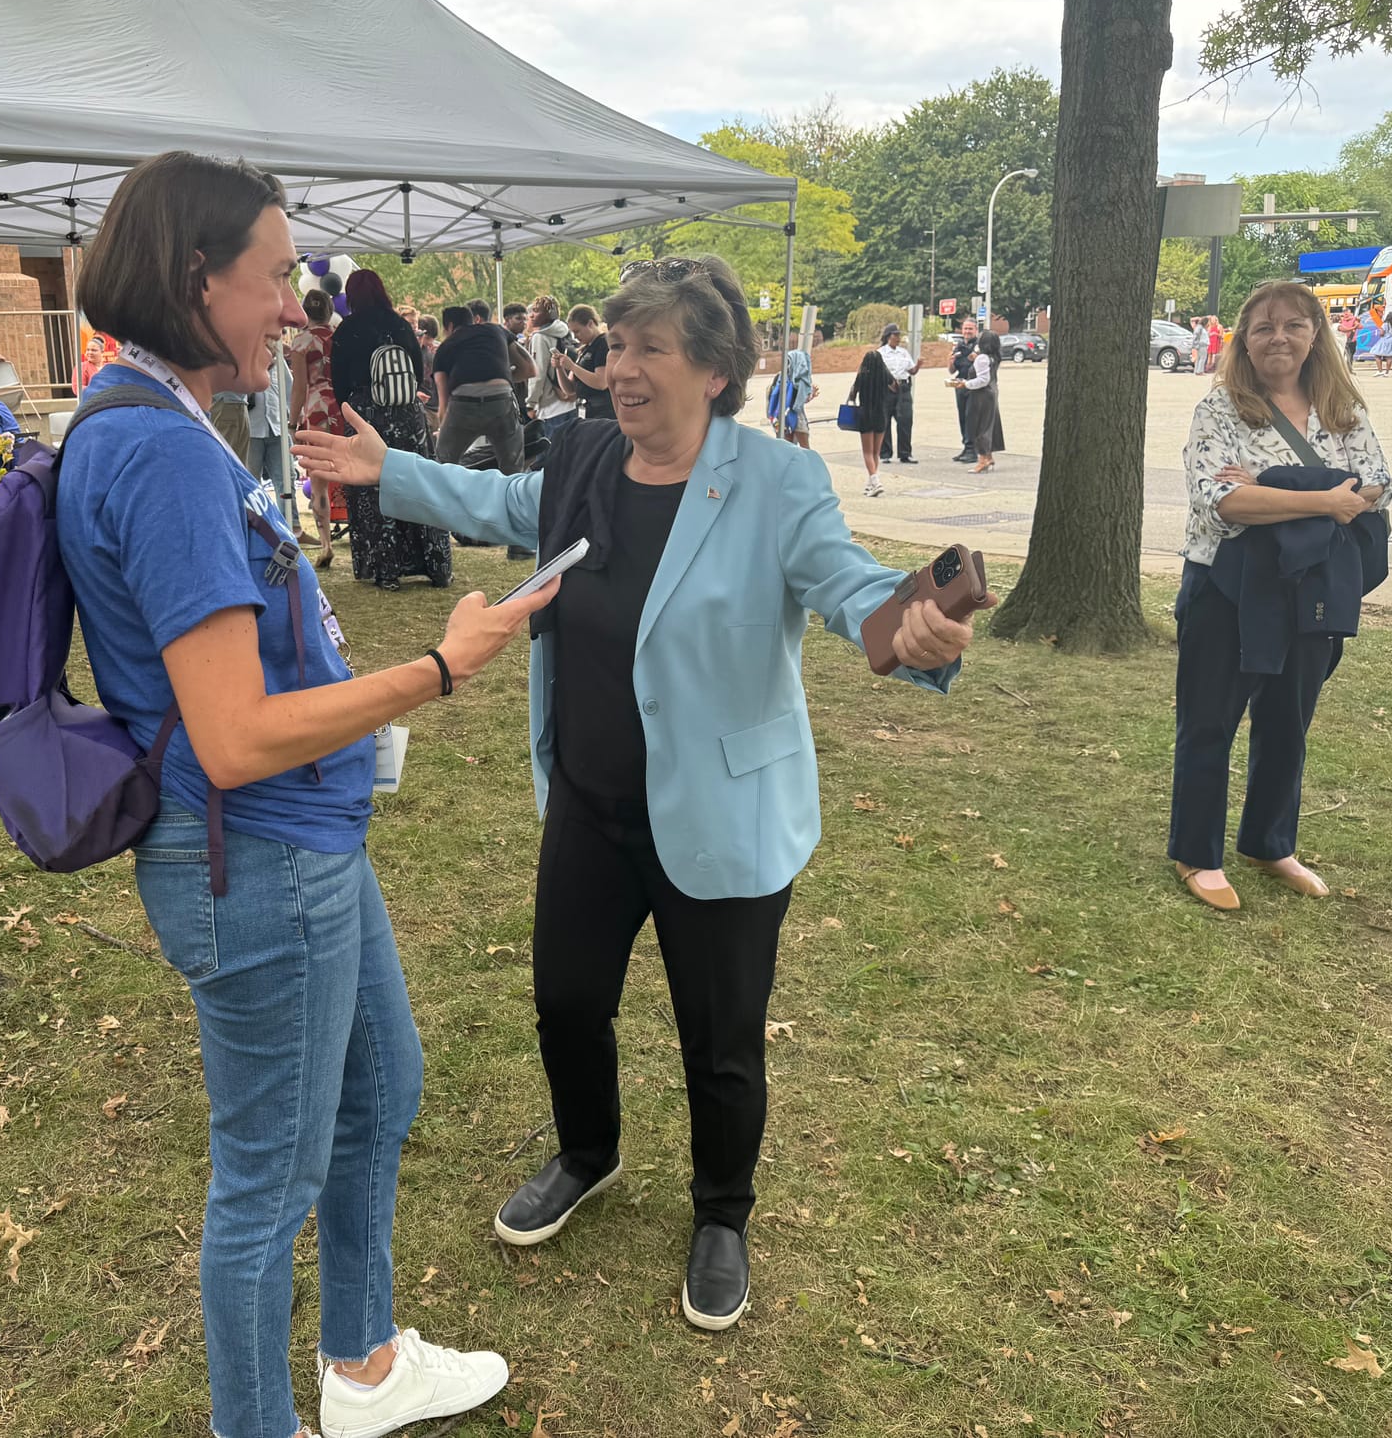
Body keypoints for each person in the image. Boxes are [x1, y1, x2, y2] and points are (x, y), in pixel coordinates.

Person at [296, 253, 983, 1334]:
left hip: (719, 811)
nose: (619, 369)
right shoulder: (581, 457)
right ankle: (587, 1154)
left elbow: (849, 590)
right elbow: (503, 500)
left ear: (712, 369)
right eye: (614, 347)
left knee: (718, 1037)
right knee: (566, 999)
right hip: (588, 797)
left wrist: (913, 628)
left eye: (647, 349)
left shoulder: (776, 484)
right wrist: (390, 467)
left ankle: (720, 1214)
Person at [58, 149, 522, 1438]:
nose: (292, 310)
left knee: (382, 1089)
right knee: (264, 1190)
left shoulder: (158, 422)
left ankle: (363, 1366)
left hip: (295, 849)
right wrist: (436, 667)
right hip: (256, 859)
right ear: (192, 277)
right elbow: (235, 735)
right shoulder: (157, 455)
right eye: (272, 279)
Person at [1170, 280, 1392, 913]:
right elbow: (1222, 502)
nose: (1279, 337)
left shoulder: (1343, 410)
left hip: (1310, 589)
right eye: (1264, 326)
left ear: (1316, 335)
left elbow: (1378, 485)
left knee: (1287, 723)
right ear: (1243, 338)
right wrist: (1324, 497)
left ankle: (1269, 842)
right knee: (1210, 720)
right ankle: (1198, 853)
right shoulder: (1221, 411)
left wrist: (1273, 487)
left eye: (1294, 325)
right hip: (1225, 588)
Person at [329, 269, 452, 590]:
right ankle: (435, 564)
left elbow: (339, 382)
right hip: (407, 413)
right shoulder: (400, 325)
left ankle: (386, 570)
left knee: (372, 488)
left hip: (365, 414)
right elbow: (416, 370)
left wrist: (352, 409)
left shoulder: (347, 329)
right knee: (418, 480)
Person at [430, 304, 533, 473]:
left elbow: (443, 402)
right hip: (501, 400)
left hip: (463, 404)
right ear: (473, 321)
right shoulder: (495, 330)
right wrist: (501, 378)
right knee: (512, 467)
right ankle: (512, 495)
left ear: (448, 326)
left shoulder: (444, 348)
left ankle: (448, 497)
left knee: (444, 464)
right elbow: (530, 368)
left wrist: (443, 429)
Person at [289, 287, 343, 568]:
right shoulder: (340, 338)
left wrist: (292, 420)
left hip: (316, 411)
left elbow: (300, 386)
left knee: (319, 482)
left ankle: (326, 544)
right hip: (342, 409)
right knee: (351, 474)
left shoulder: (301, 343)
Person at [244, 336, 299, 529]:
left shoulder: (278, 359)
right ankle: (256, 528)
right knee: (251, 482)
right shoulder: (245, 355)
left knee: (286, 479)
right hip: (252, 428)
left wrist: (293, 421)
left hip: (277, 427)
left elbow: (290, 389)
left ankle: (291, 527)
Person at [525, 294, 578, 441]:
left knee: (551, 453)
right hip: (569, 400)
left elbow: (538, 373)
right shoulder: (565, 332)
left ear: (549, 314)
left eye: (536, 311)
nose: (531, 315)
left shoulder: (540, 337)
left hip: (550, 405)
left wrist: (531, 403)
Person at [845, 343, 893, 497]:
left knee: (867, 452)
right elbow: (895, 387)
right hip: (881, 415)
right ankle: (870, 485)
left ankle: (875, 481)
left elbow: (852, 394)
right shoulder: (885, 376)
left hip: (865, 415)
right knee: (875, 453)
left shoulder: (862, 376)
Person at [953, 330, 1005, 472]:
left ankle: (982, 460)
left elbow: (983, 380)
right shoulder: (994, 357)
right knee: (989, 425)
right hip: (991, 393)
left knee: (978, 426)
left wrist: (965, 384)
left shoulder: (982, 358)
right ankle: (988, 456)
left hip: (981, 395)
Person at [555, 304, 614, 422]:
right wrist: (559, 368)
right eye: (573, 333)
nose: (576, 337)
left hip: (602, 411)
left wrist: (572, 366)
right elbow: (570, 390)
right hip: (584, 409)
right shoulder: (584, 349)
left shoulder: (603, 344)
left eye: (577, 331)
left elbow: (601, 382)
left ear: (590, 324)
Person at [877, 324, 920, 463]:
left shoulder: (903, 353)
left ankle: (905, 453)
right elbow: (876, 372)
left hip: (903, 388)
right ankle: (885, 454)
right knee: (885, 421)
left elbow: (911, 371)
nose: (898, 338)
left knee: (905, 420)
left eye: (899, 335)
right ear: (888, 337)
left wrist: (918, 365)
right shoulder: (880, 353)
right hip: (886, 389)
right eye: (895, 335)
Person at [949, 318, 979, 462]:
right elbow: (952, 370)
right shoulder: (959, 346)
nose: (967, 332)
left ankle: (972, 450)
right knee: (962, 417)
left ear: (976, 330)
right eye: (965, 329)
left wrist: (977, 358)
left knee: (970, 417)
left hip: (973, 385)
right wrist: (950, 362)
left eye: (970, 329)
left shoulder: (979, 346)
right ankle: (966, 447)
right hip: (959, 384)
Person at [778, 333, 814, 449]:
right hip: (796, 417)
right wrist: (811, 394)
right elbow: (800, 402)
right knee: (805, 449)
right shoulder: (799, 380)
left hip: (782, 417)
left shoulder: (781, 378)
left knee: (787, 449)